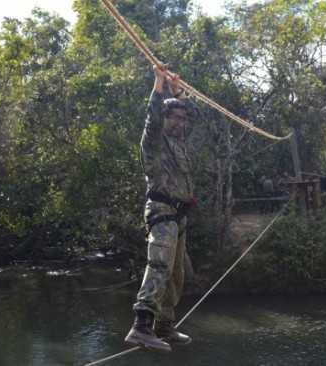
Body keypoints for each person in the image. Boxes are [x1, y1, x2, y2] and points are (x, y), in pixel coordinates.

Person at [124, 63, 198, 352]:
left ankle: (164, 326)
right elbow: (152, 118)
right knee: (159, 265)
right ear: (165, 118)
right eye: (174, 117)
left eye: (181, 117)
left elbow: (196, 115)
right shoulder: (154, 141)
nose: (179, 121)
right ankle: (141, 326)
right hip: (161, 211)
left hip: (179, 217)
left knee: (176, 274)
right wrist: (158, 81)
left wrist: (178, 92)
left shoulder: (179, 142)